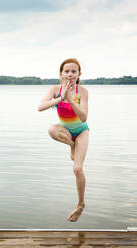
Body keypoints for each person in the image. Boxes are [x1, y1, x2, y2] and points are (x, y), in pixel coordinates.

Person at [38, 58, 89, 222]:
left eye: (74, 71)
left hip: (81, 132)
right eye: (67, 71)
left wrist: (70, 100)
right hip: (65, 130)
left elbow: (83, 117)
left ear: (79, 74)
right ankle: (72, 146)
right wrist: (61, 98)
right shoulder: (54, 89)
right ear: (61, 74)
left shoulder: (82, 92)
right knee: (51, 129)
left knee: (77, 169)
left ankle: (80, 205)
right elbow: (40, 107)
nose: (70, 74)